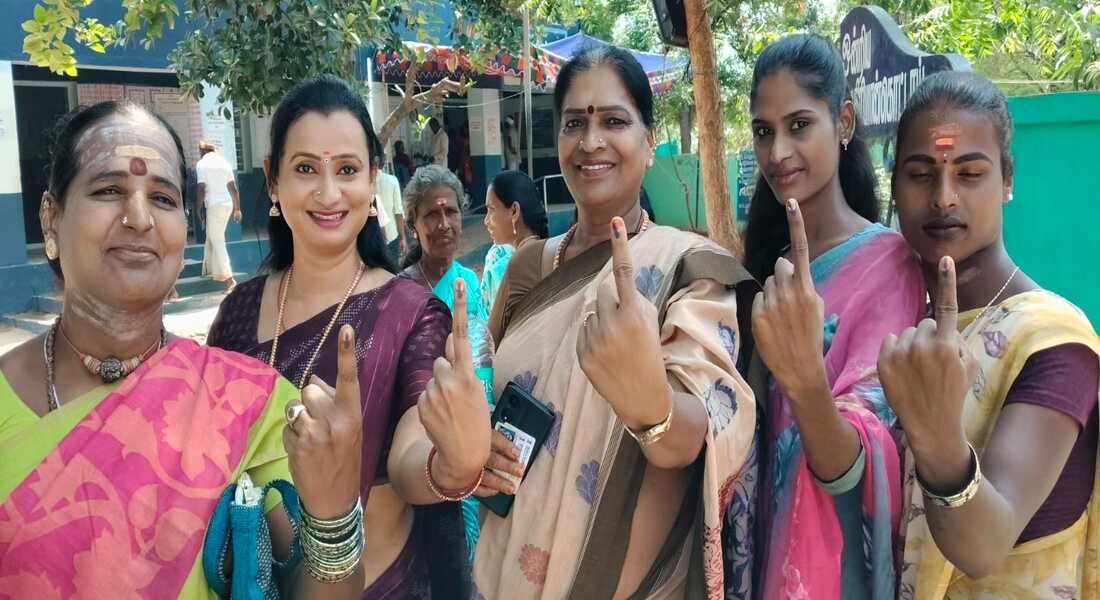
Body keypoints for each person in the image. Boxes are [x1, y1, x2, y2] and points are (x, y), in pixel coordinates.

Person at [0, 101, 366, 598]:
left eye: (162, 198)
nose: (138, 218)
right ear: (50, 219)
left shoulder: (247, 402)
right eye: (109, 190)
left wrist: (333, 511)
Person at [466, 45, 759, 599]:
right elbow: (484, 391)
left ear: (649, 144)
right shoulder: (527, 266)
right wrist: (476, 444)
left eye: (614, 121)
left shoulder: (687, 269)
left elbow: (707, 430)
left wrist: (652, 405)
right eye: (575, 123)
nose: (591, 141)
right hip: (505, 568)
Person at [207, 76, 485, 599]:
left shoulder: (411, 313)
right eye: (305, 169)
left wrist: (454, 464)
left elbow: (409, 460)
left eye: (348, 170)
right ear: (272, 180)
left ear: (373, 180)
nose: (329, 193)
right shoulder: (237, 314)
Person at [879, 71, 1099, 599]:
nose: (943, 198)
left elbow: (982, 548)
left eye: (970, 173)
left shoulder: (1053, 341)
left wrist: (937, 437)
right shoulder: (896, 322)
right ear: (895, 185)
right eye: (921, 173)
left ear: (1006, 180)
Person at [743, 34, 925, 599]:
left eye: (799, 125)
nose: (778, 152)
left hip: (831, 564)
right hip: (759, 541)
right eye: (764, 131)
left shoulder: (890, 264)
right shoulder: (765, 265)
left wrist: (804, 378)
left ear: (843, 122)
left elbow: (863, 463)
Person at [398, 163, 490, 560]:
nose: (444, 224)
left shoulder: (468, 283)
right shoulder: (398, 291)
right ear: (413, 225)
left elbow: (482, 363)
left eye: (451, 212)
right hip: (420, 446)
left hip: (472, 433)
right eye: (431, 215)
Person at [481, 170, 548, 313]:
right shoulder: (551, 254)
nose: (486, 221)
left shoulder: (504, 268)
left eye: (491, 210)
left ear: (514, 211)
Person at [196, 140, 240, 292]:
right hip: (227, 204)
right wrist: (237, 209)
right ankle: (208, 269)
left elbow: (201, 188)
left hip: (214, 205)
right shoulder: (224, 163)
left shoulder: (202, 164)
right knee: (212, 234)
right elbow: (233, 188)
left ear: (202, 151)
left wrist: (198, 207)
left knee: (217, 240)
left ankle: (229, 280)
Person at [374, 155, 407, 261]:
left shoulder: (365, 184)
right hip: (391, 235)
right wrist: (403, 237)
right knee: (393, 267)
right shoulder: (392, 181)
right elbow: (398, 211)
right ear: (383, 163)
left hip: (372, 239)